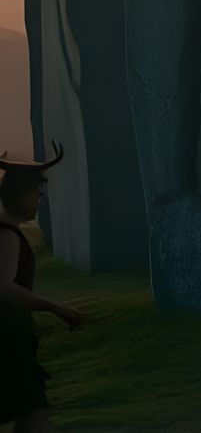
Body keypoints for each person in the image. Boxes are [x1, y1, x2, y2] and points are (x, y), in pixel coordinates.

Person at [1, 144, 84, 433]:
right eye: (37, 194)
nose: (39, 200)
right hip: (7, 345)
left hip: (12, 340)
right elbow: (4, 288)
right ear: (22, 194)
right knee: (35, 416)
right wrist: (56, 307)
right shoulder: (7, 235)